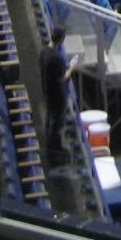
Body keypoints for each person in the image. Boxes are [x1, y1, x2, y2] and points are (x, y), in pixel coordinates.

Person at [39, 25, 76, 158]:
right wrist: (71, 68)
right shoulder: (57, 58)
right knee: (57, 122)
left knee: (50, 116)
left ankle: (49, 142)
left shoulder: (44, 52)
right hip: (58, 95)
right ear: (61, 40)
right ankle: (54, 147)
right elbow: (64, 77)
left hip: (46, 90)